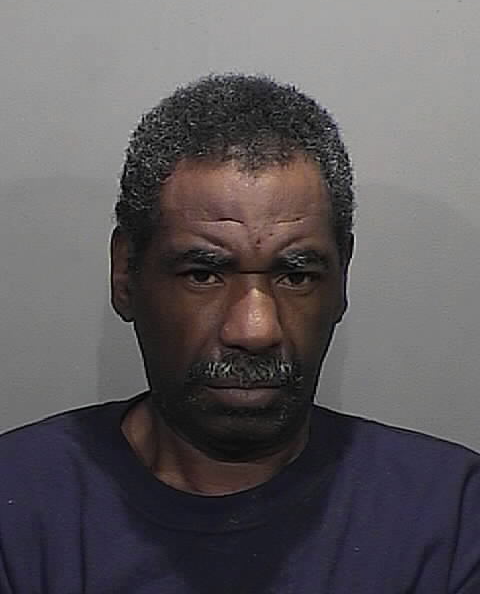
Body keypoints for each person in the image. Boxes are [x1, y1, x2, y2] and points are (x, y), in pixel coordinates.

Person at [0, 74, 479, 594]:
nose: (255, 329)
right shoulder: (19, 505)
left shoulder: (450, 516)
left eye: (297, 276)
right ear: (125, 275)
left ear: (342, 278)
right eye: (203, 274)